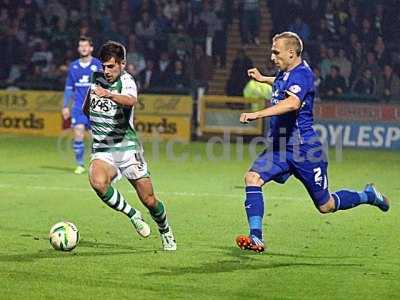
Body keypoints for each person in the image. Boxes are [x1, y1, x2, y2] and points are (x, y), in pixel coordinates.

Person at [236, 32, 390, 253]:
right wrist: (264, 79)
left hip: (305, 150)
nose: (272, 57)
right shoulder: (285, 73)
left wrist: (257, 114)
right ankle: (256, 237)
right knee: (252, 178)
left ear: (291, 52)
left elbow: (292, 103)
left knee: (326, 205)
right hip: (280, 148)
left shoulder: (303, 74)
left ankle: (368, 195)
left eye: (275, 52)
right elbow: (281, 83)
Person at [82, 41, 176, 251]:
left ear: (122, 64)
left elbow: (131, 100)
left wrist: (109, 95)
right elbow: (87, 108)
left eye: (111, 66)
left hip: (128, 149)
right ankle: (132, 215)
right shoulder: (96, 79)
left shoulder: (126, 80)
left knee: (150, 200)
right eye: (104, 66)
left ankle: (165, 230)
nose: (106, 71)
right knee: (98, 182)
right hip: (103, 149)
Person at [62, 36, 102, 174]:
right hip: (78, 107)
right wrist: (65, 106)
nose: (84, 48)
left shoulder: (98, 65)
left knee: (94, 137)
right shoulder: (73, 66)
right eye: (81, 46)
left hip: (95, 107)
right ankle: (80, 164)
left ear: (91, 48)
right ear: (78, 49)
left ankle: (96, 164)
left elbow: (105, 85)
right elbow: (69, 88)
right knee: (78, 133)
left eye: (86, 46)